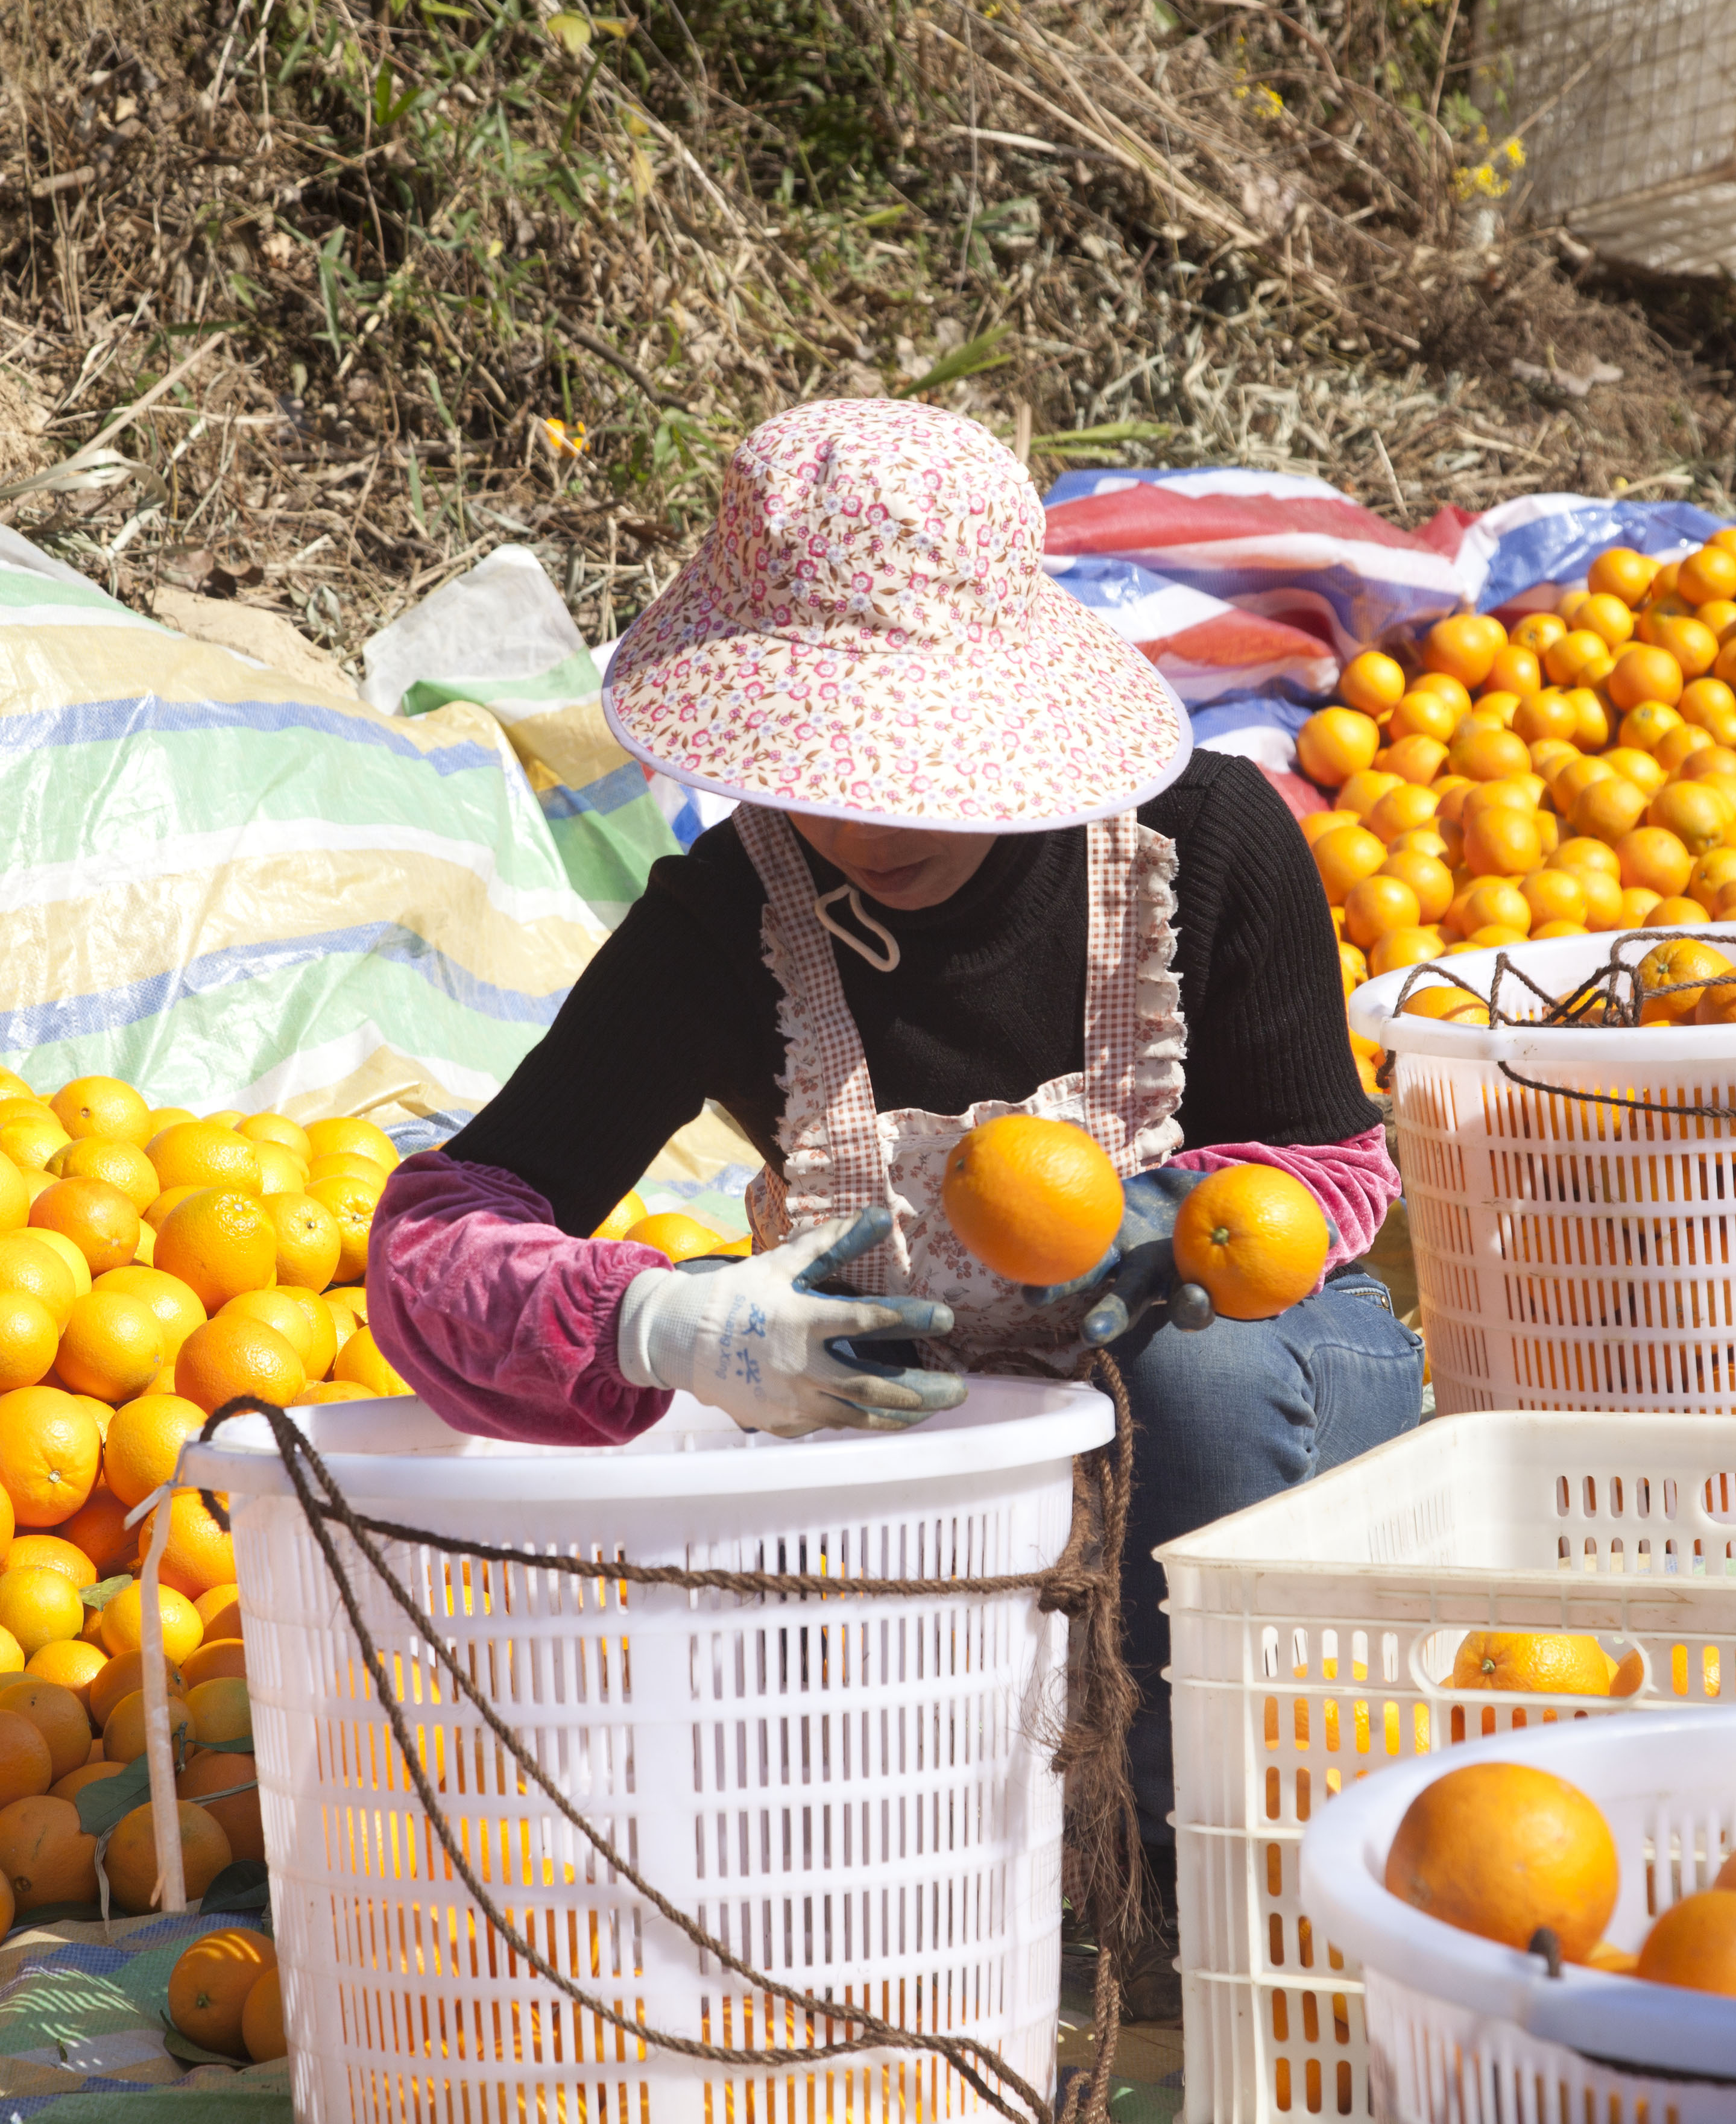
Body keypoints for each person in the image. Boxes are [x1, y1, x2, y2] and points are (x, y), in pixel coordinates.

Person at [364, 397, 1421, 2011]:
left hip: (1256, 1386)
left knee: (1191, 1379)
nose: (870, 821)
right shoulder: (722, 929)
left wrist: (1189, 1215)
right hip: (962, 1419)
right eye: (821, 770)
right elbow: (438, 1238)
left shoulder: (1208, 844)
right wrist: (667, 1320)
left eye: (914, 761)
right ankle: (978, 1868)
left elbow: (1340, 1166)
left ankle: (1189, 1876)